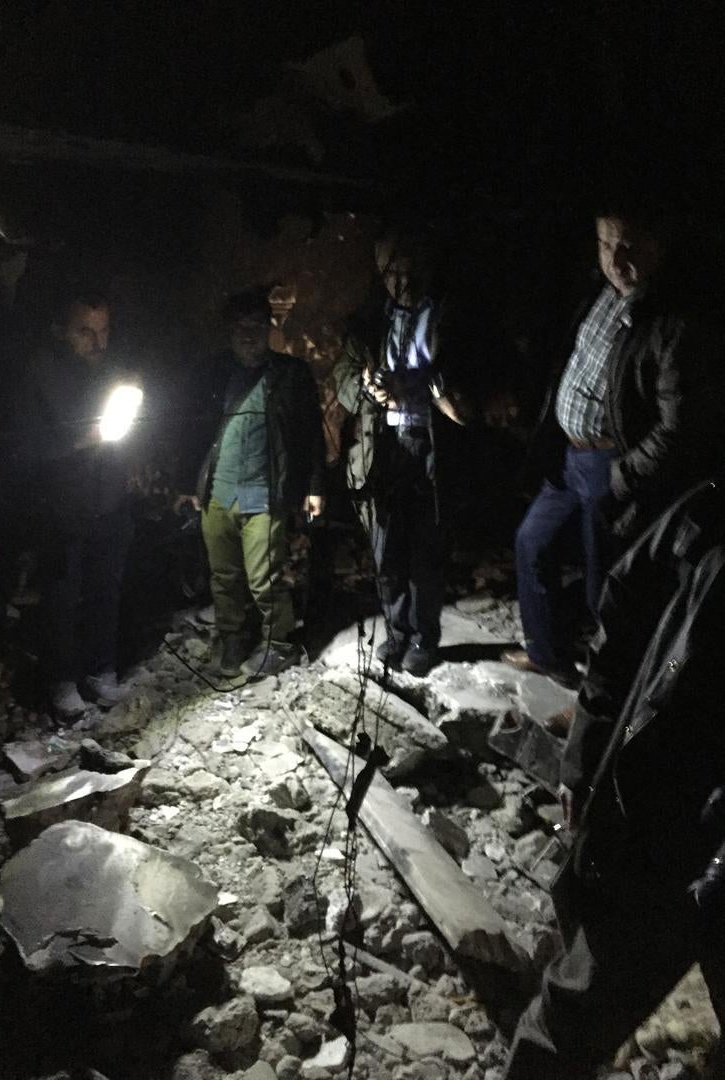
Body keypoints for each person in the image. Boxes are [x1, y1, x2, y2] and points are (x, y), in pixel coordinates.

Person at [504, 477, 725, 1080]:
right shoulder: (710, 502)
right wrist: (585, 757)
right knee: (577, 1005)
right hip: (664, 805)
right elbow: (627, 600)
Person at [503, 201, 725, 683]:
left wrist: (619, 476)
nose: (615, 258)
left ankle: (600, 699)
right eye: (606, 243)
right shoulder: (599, 293)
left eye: (629, 246)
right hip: (568, 456)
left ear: (656, 248)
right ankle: (548, 656)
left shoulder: (671, 322)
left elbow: (678, 430)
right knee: (531, 543)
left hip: (609, 462)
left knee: (605, 588)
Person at [332, 228, 476, 677]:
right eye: (391, 272)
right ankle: (395, 632)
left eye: (410, 270)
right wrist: (369, 390)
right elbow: (344, 379)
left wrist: (414, 384)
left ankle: (422, 638)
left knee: (423, 549)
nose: (402, 280)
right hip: (382, 446)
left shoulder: (450, 319)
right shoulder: (369, 322)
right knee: (385, 547)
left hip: (429, 445)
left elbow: (466, 389)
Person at [181, 289, 326, 679]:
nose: (248, 335)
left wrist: (315, 486)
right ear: (229, 331)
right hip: (218, 491)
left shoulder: (290, 375)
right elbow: (191, 430)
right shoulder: (214, 374)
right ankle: (231, 637)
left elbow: (311, 433)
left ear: (269, 328)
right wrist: (188, 484)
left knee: (265, 578)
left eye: (256, 327)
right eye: (241, 327)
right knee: (224, 575)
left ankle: (279, 644)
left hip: (265, 492)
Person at [18, 288, 138, 718]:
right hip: (60, 509)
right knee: (62, 598)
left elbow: (130, 425)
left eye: (103, 330)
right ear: (60, 331)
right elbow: (24, 448)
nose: (97, 342)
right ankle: (62, 681)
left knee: (106, 588)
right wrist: (79, 441)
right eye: (85, 332)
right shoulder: (39, 374)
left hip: (109, 500)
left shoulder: (114, 372)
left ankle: (100, 670)